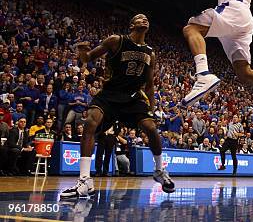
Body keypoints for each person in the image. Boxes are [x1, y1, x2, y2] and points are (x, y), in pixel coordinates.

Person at [60, 14, 174, 198]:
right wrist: (81, 51)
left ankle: (159, 171)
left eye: (146, 19)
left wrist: (152, 109)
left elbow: (150, 85)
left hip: (132, 98)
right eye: (139, 18)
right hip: (109, 95)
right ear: (131, 25)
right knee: (90, 123)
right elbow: (87, 57)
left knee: (151, 128)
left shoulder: (150, 53)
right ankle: (84, 181)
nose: (144, 20)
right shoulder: (116, 40)